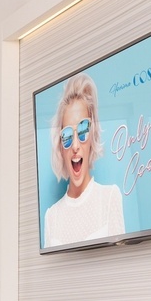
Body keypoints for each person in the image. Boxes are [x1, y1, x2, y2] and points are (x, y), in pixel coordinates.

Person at [42, 73, 125, 247]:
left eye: (82, 129)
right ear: (59, 144)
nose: (75, 146)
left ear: (92, 133)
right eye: (66, 135)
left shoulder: (109, 198)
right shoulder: (52, 217)